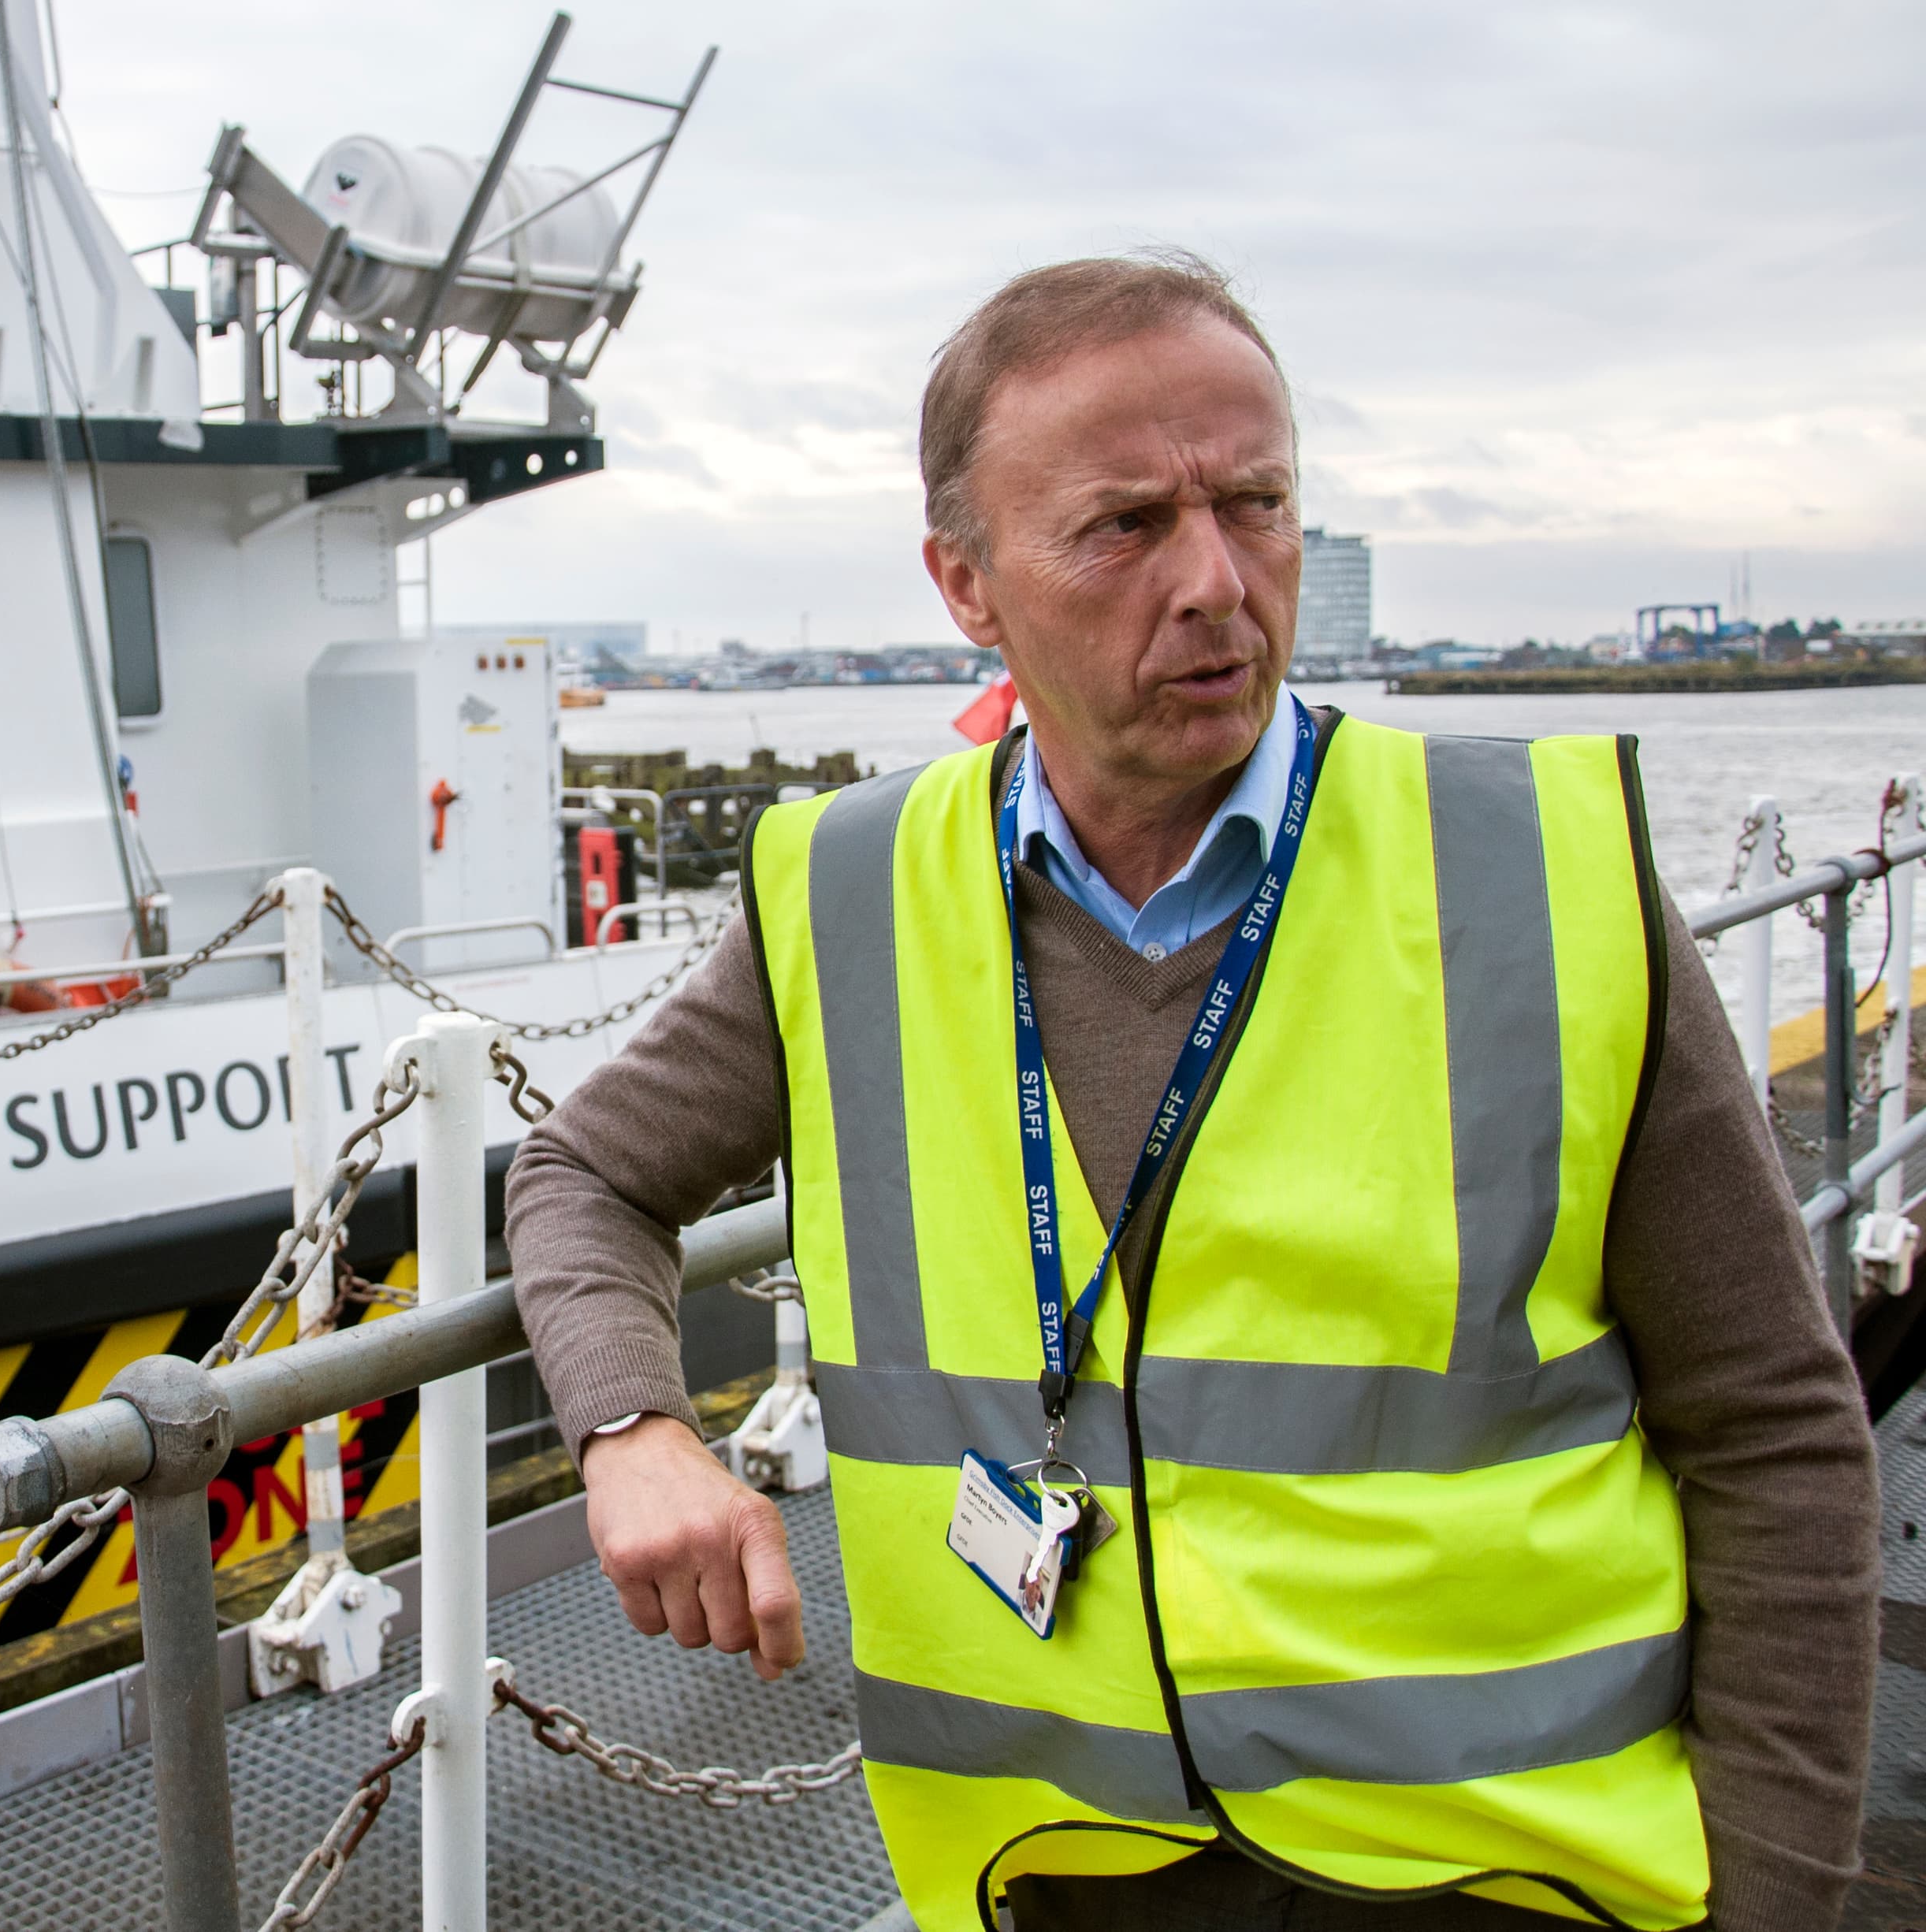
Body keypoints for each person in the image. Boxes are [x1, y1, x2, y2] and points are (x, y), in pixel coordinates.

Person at [507, 251, 1879, 1930]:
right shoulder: (843, 896)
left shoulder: (1533, 881)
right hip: (1068, 1876)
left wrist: (1789, 1902)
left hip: (1514, 1877)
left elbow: (1777, 1434)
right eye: (1127, 524)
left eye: (1258, 502)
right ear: (968, 580)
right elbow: (583, 1171)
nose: (1220, 579)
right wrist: (637, 1429)